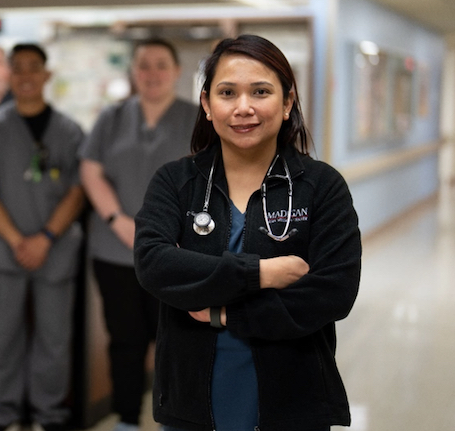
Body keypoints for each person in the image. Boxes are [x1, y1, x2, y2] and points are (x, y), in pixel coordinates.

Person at [133, 34, 362, 431]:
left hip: (291, 396)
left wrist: (225, 313)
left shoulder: (321, 186)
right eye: (227, 92)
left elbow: (333, 291)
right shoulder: (176, 182)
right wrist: (260, 273)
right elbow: (155, 264)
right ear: (206, 104)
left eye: (260, 91)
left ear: (288, 102)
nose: (243, 108)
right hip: (192, 398)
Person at [78, 38, 198, 431]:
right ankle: (127, 419)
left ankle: (171, 419)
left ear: (177, 71)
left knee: (174, 341)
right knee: (125, 340)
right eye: (144, 65)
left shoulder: (198, 120)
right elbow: (91, 171)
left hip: (175, 252)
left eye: (161, 65)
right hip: (115, 251)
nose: (152, 73)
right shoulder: (111, 118)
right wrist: (117, 219)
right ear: (133, 72)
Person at [0, 43, 86, 431]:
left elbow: (77, 191)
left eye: (34, 68)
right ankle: (2, 413)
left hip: (55, 250)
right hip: (6, 250)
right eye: (17, 69)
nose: (26, 76)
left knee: (53, 340)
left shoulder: (70, 132)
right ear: (8, 76)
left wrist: (45, 238)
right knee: (3, 338)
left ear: (47, 75)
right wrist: (19, 240)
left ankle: (49, 415)